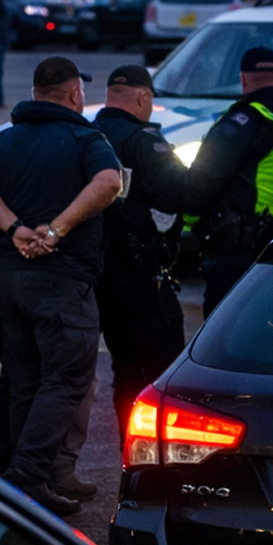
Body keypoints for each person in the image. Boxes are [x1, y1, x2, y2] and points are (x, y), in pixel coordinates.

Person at [0, 56, 124, 516]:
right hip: (63, 280)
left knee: (25, 381)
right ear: (75, 94)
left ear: (34, 94)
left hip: (11, 280)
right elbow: (109, 182)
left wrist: (14, 229)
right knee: (67, 380)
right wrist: (56, 230)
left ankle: (32, 477)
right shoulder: (86, 138)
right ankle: (26, 479)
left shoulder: (3, 141)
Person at [92, 64, 193, 430]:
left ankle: (125, 450)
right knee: (163, 373)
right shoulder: (145, 142)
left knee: (124, 370)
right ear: (143, 97)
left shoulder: (88, 135)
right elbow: (178, 194)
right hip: (141, 275)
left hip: (96, 273)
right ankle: (152, 464)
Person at [182, 46, 273, 315]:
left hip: (238, 252)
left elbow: (204, 178)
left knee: (221, 334)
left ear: (243, 80)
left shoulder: (244, 122)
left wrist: (189, 219)